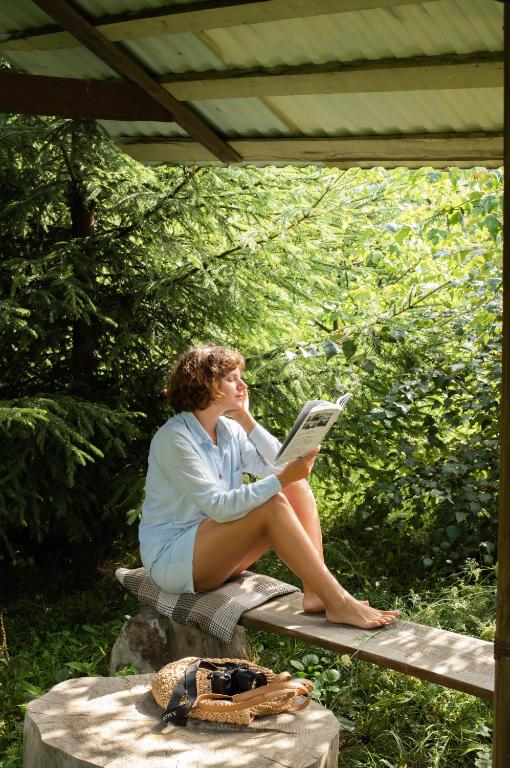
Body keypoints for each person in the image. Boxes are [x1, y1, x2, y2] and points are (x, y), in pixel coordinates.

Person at [139, 344, 399, 629]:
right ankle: (338, 601)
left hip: (215, 550)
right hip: (176, 562)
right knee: (273, 502)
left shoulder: (227, 430)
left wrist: (244, 418)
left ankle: (315, 592)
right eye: (231, 378)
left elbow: (278, 466)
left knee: (295, 488)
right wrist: (284, 478)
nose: (242, 384)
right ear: (206, 384)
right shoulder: (175, 439)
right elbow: (220, 507)